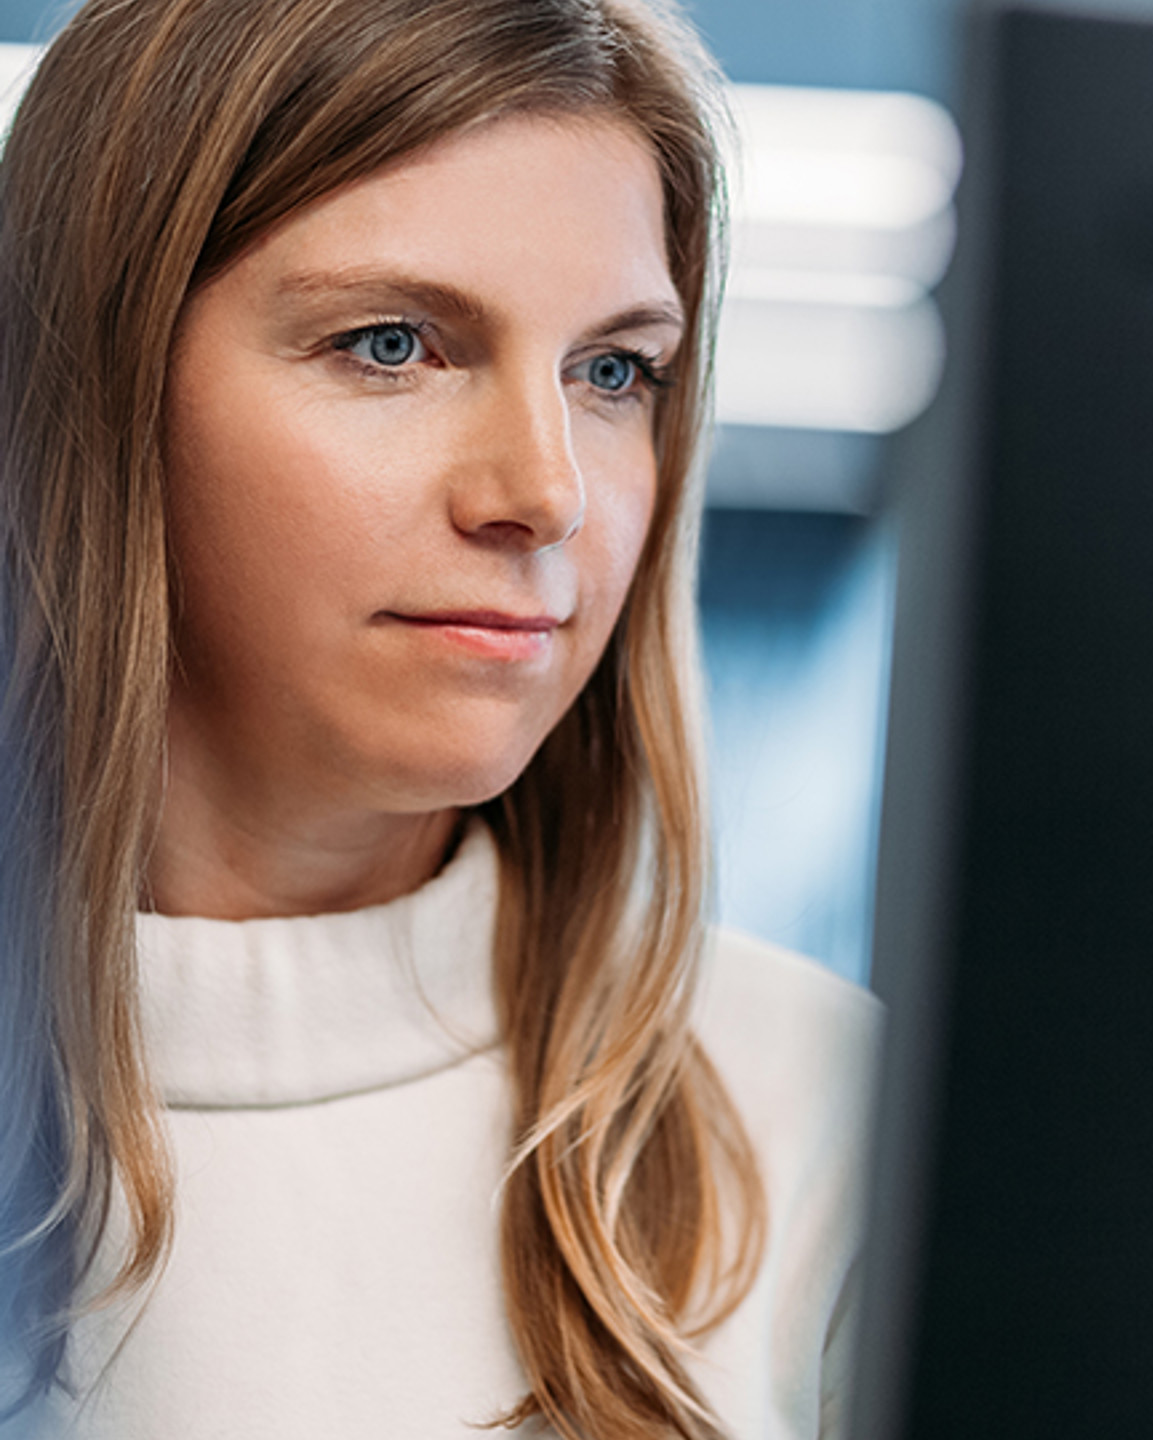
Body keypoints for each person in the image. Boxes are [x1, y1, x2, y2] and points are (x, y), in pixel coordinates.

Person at [0, 0, 881, 1436]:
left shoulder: (834, 1120)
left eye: (614, 373)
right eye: (394, 344)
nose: (546, 492)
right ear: (91, 388)